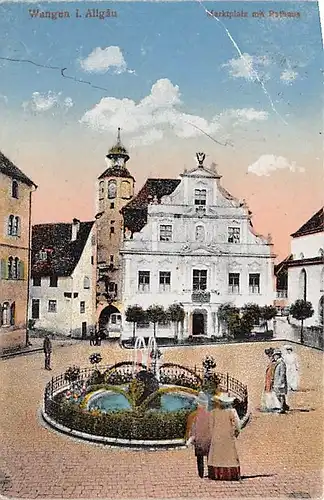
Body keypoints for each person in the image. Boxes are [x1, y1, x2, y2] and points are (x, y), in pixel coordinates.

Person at [207, 394, 241, 481]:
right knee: (229, 455)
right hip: (228, 436)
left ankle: (216, 474)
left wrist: (212, 436)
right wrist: (236, 433)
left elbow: (210, 426)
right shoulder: (232, 411)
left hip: (216, 436)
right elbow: (237, 425)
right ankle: (230, 474)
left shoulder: (213, 412)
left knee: (217, 456)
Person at [186, 392, 212, 478]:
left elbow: (193, 427)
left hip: (199, 439)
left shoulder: (195, 415)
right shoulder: (209, 414)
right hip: (207, 438)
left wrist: (191, 437)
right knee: (208, 456)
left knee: (200, 458)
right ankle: (209, 472)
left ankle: (201, 474)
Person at [260, 348, 281, 412]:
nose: (269, 358)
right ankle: (271, 405)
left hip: (271, 379)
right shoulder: (272, 362)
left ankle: (274, 406)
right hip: (268, 379)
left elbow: (273, 372)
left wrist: (272, 379)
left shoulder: (274, 363)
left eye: (270, 356)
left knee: (271, 392)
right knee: (269, 391)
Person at [272, 348, 289, 414]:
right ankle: (284, 405)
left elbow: (282, 373)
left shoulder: (281, 363)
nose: (274, 357)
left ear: (278, 355)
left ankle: (282, 408)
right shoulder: (278, 362)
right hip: (277, 380)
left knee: (280, 394)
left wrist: (281, 381)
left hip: (280, 382)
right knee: (279, 394)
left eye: (275, 355)